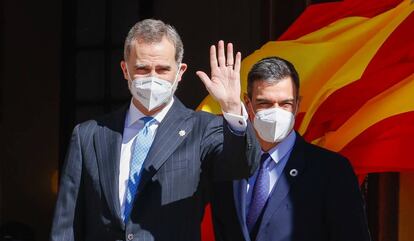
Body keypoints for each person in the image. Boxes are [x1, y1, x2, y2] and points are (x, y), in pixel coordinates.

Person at [50, 19, 260, 241]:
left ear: (180, 72)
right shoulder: (88, 135)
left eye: (162, 69)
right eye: (142, 69)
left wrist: (232, 108)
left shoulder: (202, 129)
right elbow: (66, 226)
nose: (152, 77)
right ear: (125, 69)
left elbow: (242, 165)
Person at [210, 57, 371, 241]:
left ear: (297, 105)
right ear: (248, 104)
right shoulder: (226, 166)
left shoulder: (331, 170)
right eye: (265, 103)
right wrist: (230, 108)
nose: (276, 112)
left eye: (285, 104)